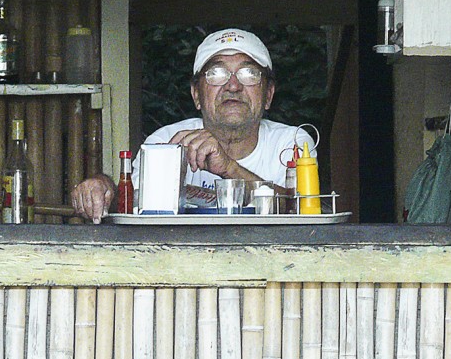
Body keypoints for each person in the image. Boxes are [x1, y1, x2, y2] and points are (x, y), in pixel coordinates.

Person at [71, 28, 311, 222]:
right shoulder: (165, 141)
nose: (233, 86)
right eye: (216, 74)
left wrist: (229, 169)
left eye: (249, 74)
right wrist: (103, 188)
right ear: (196, 95)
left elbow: (304, 211)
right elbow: (129, 204)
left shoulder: (292, 142)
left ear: (268, 94)